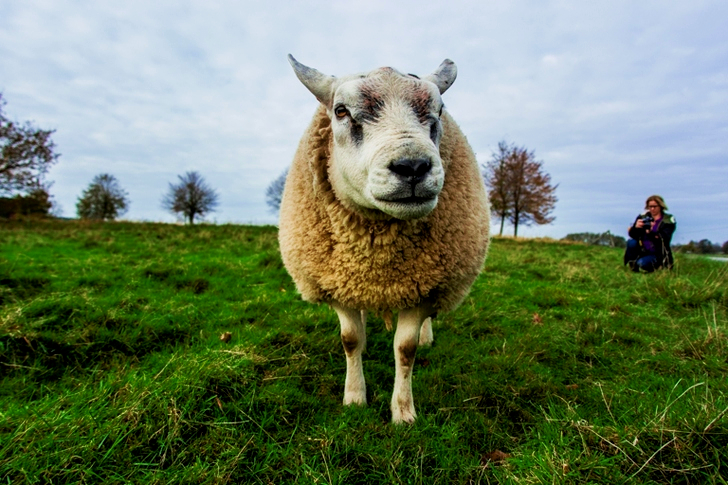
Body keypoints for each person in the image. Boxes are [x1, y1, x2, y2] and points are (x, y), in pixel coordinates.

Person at [624, 195, 676, 272]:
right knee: (631, 242)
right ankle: (633, 265)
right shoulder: (643, 217)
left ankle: (660, 266)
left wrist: (651, 231)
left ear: (661, 206)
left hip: (658, 253)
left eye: (655, 206)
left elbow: (664, 238)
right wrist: (636, 227)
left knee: (642, 263)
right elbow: (632, 235)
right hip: (643, 250)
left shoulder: (668, 220)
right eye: (650, 206)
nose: (652, 209)